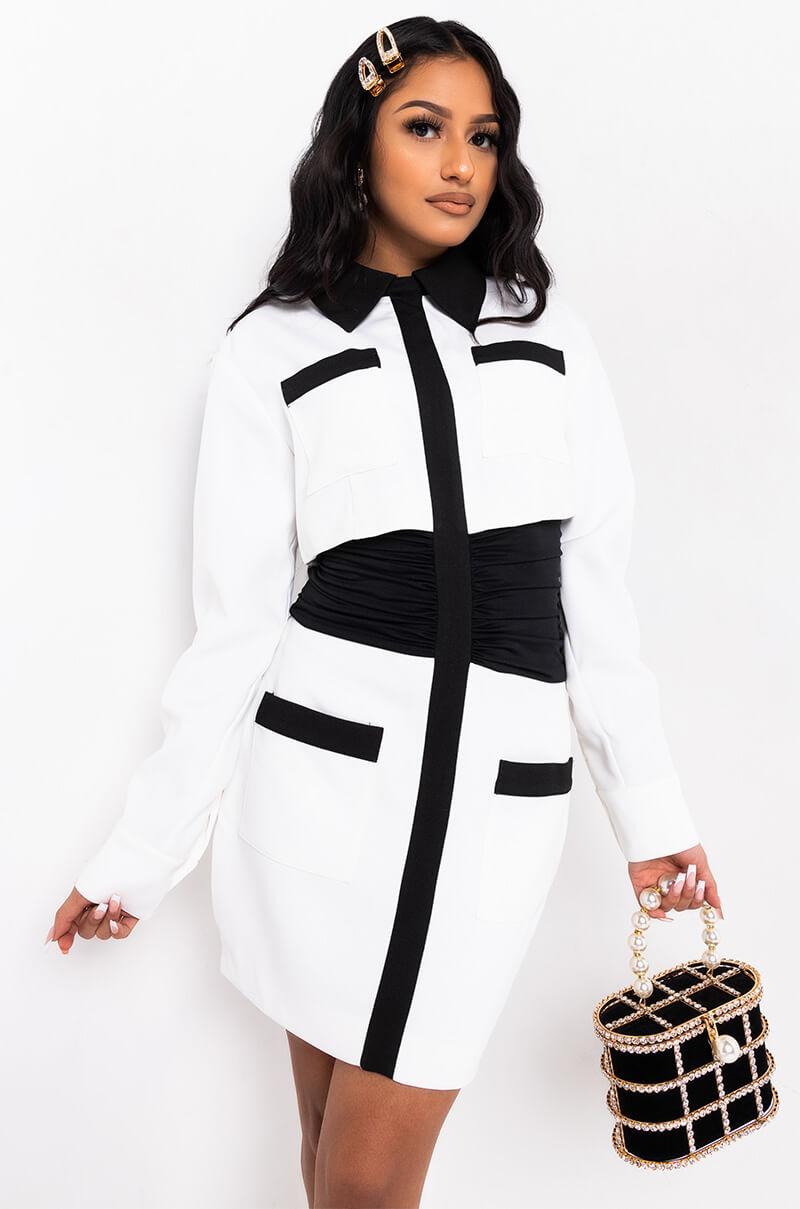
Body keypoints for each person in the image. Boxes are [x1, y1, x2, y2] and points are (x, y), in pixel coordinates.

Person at [45, 18, 723, 1209]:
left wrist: (648, 811)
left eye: (483, 137)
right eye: (423, 128)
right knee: (331, 1166)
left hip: (492, 803)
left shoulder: (548, 336)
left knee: (362, 1177)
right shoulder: (269, 348)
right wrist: (139, 858)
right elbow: (237, 626)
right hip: (315, 789)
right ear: (356, 146)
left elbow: (591, 589)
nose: (459, 164)